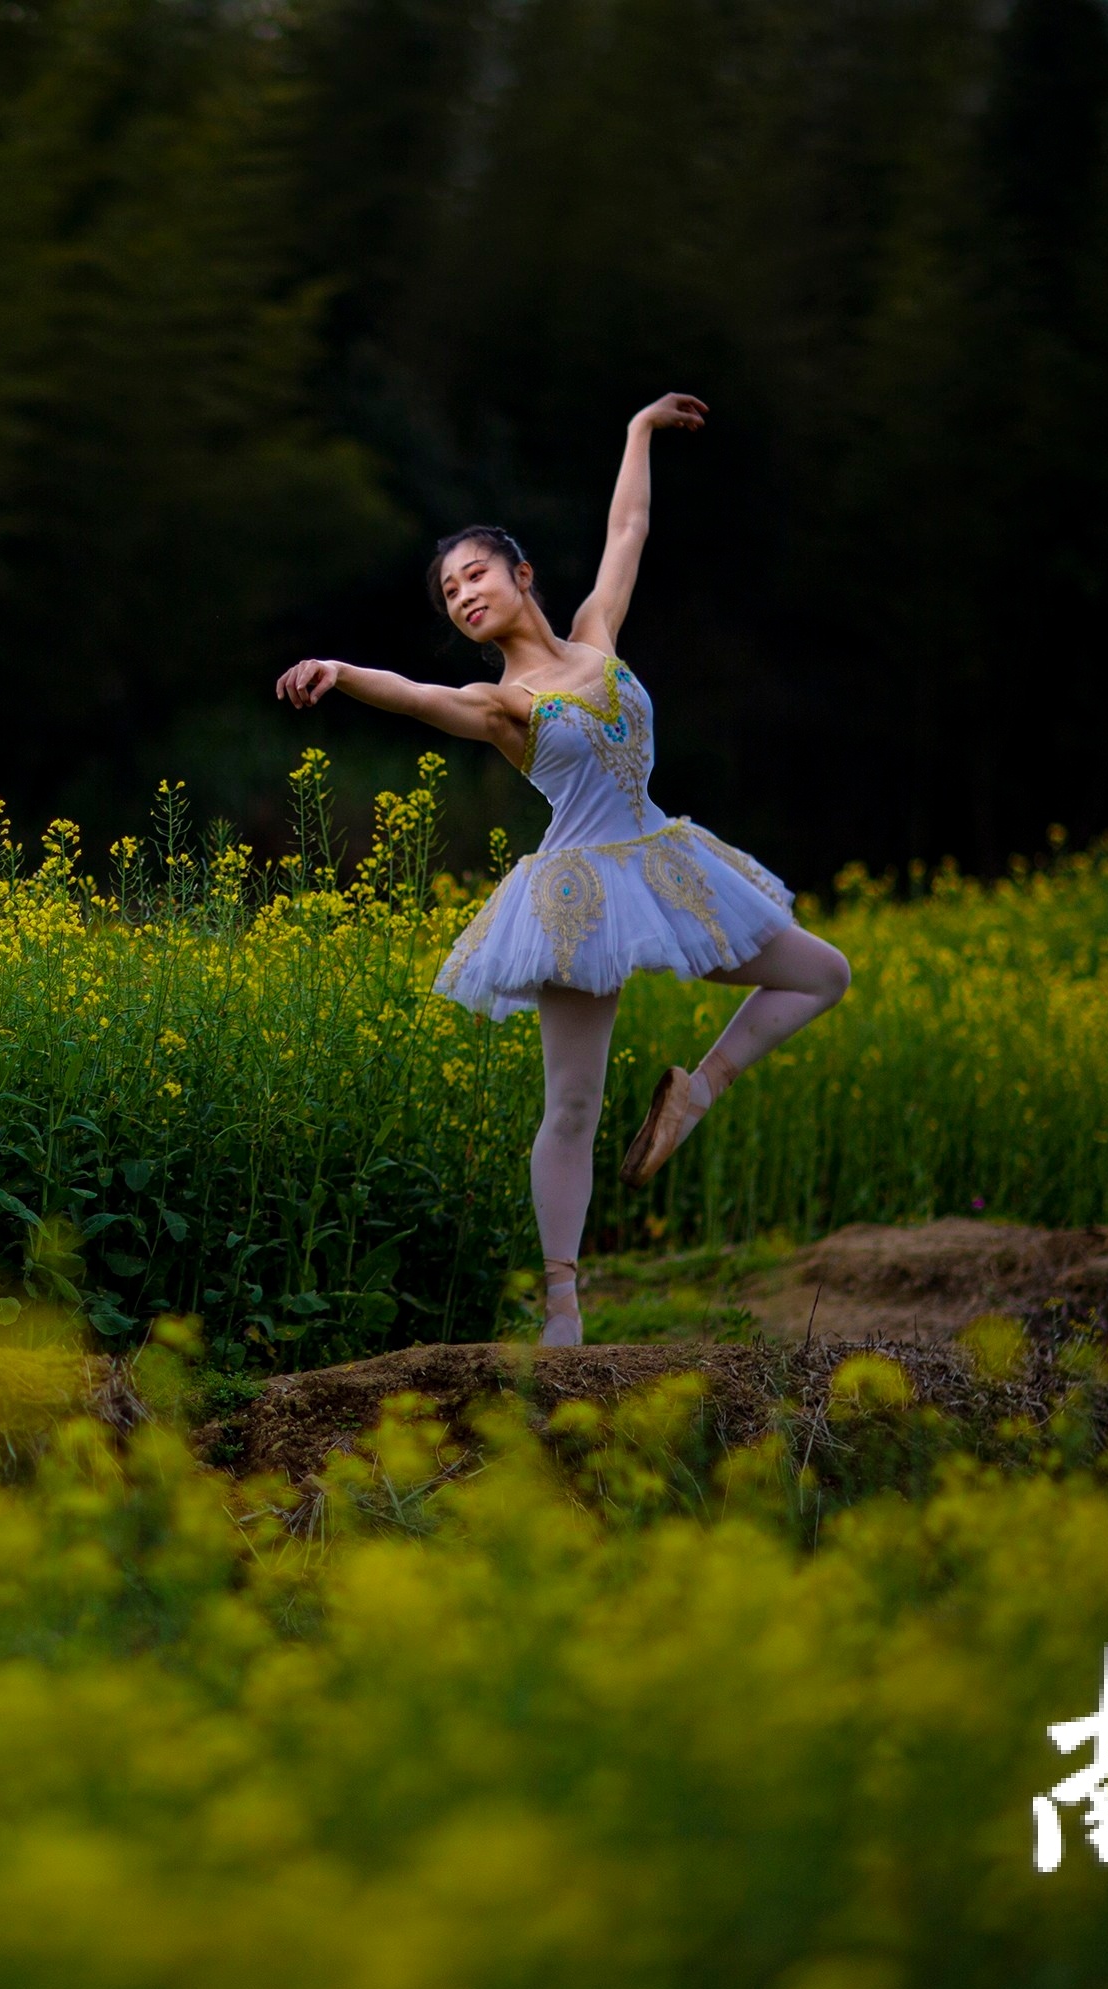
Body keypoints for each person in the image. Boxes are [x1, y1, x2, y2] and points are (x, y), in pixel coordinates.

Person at [272, 394, 850, 1344]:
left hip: (667, 865)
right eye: (449, 594)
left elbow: (629, 527)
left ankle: (695, 1090)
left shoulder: (596, 635)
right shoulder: (504, 706)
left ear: (520, 574)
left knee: (825, 971)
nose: (462, 597)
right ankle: (562, 1303)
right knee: (572, 1104)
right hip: (580, 897)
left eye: (474, 576)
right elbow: (418, 698)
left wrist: (634, 430)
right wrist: (342, 669)